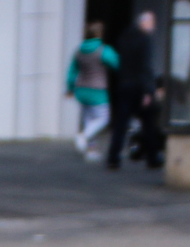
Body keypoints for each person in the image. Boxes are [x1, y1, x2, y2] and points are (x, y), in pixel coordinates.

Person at [107, 10, 158, 170]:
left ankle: (113, 157)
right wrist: (148, 91)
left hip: (125, 84)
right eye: (151, 23)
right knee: (149, 123)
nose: (153, 26)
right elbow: (146, 67)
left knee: (121, 124)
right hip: (139, 86)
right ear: (145, 23)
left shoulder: (124, 38)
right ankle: (152, 157)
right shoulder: (145, 40)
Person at [67, 22, 117, 160]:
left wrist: (70, 88)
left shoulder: (78, 50)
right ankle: (83, 136)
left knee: (89, 120)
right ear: (98, 34)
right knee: (103, 119)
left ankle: (91, 151)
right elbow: (115, 63)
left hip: (81, 90)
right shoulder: (103, 50)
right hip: (98, 91)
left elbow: (72, 71)